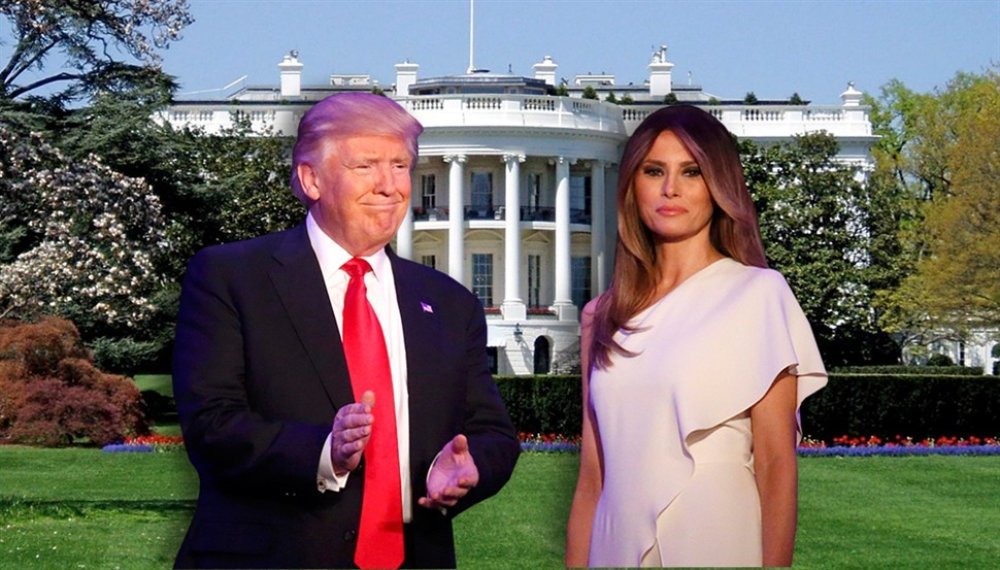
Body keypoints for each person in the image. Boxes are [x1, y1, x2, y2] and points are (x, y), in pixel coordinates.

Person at [172, 92, 520, 569]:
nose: (389, 186)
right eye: (366, 166)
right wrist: (323, 452)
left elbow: (493, 433)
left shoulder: (448, 303)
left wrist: (469, 467)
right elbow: (212, 426)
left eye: (400, 166)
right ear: (311, 179)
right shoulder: (233, 278)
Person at [565, 105, 827, 568]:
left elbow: (775, 464)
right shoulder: (601, 317)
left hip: (716, 536)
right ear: (632, 186)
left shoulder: (758, 294)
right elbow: (592, 477)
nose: (671, 188)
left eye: (692, 172)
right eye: (654, 171)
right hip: (614, 543)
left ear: (718, 185)